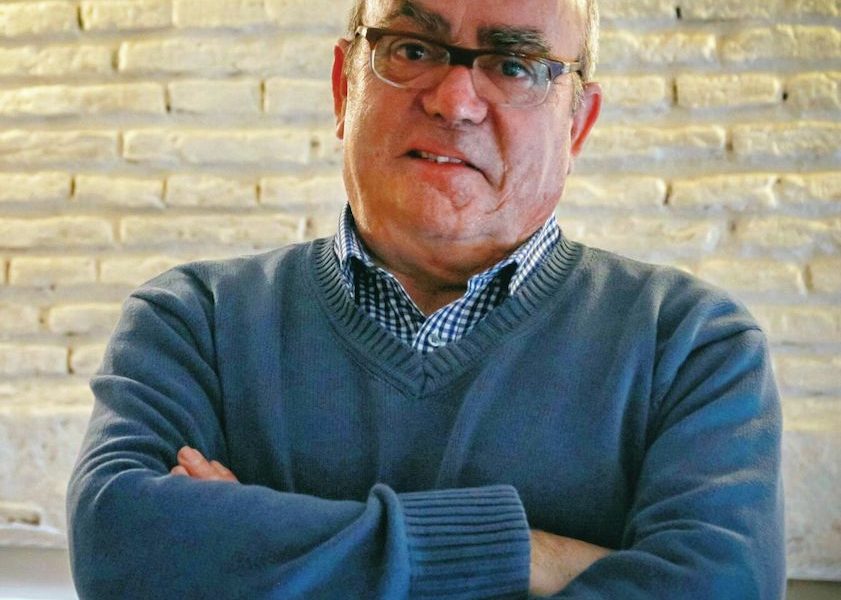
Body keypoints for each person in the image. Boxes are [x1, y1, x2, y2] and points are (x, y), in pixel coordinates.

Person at [66, 0, 785, 597]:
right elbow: (120, 546)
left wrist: (255, 551)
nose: (453, 101)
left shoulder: (690, 345)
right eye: (411, 49)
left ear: (577, 125)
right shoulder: (196, 321)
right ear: (344, 86)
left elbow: (718, 588)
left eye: (513, 64)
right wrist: (525, 554)